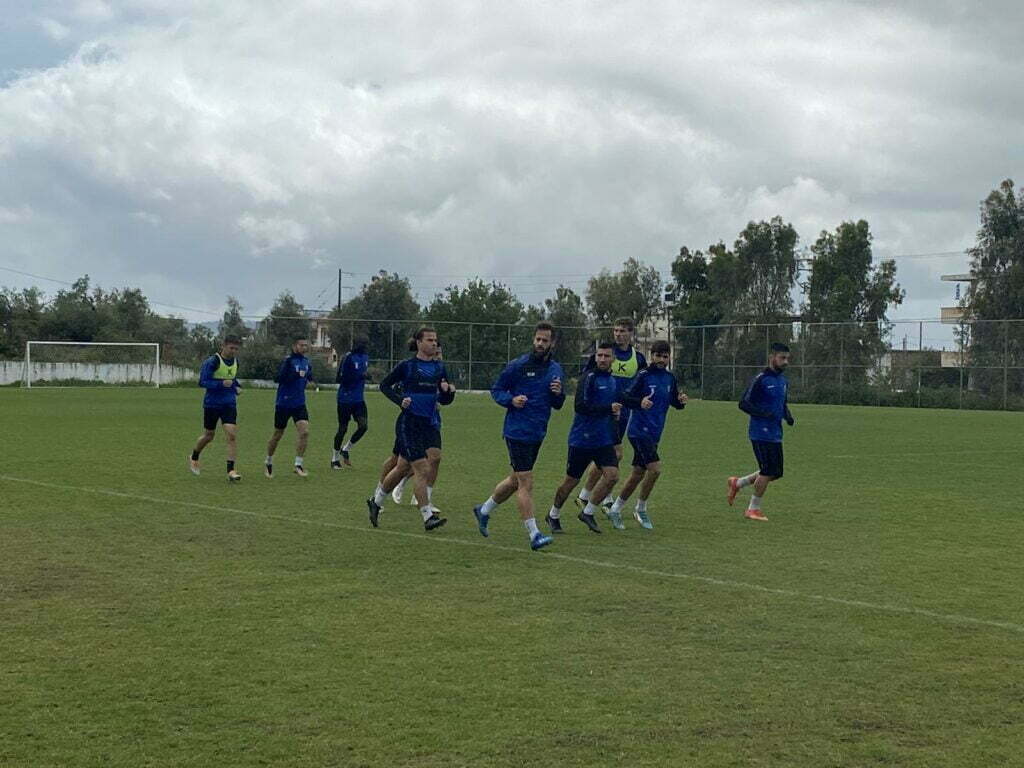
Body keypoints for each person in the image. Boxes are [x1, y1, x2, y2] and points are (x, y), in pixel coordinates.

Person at [473, 322, 565, 550]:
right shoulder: (518, 365)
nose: (540, 344)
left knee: (515, 480)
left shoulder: (555, 369)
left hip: (537, 431)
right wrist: (511, 400)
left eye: (545, 340)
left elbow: (558, 404)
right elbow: (497, 390)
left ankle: (484, 510)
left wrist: (558, 393)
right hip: (517, 431)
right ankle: (534, 534)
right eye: (538, 339)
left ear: (552, 343)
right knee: (526, 482)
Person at [367, 327, 455, 531]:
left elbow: (445, 400)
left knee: (406, 467)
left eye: (435, 340)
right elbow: (384, 385)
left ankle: (376, 501)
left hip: (429, 423)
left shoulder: (440, 368)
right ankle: (427, 516)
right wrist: (400, 400)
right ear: (418, 342)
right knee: (422, 468)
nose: (434, 343)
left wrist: (448, 392)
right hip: (409, 423)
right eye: (430, 340)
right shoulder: (407, 366)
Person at [607, 340, 687, 529]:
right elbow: (625, 397)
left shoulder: (670, 378)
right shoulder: (643, 375)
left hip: (655, 432)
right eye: (658, 355)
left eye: (665, 356)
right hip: (638, 431)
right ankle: (641, 508)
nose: (661, 360)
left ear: (669, 358)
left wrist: (681, 401)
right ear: (652, 356)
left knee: (638, 473)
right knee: (655, 469)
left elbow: (674, 402)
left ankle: (615, 509)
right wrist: (639, 402)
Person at [546, 340, 621, 534]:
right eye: (599, 355)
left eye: (606, 356)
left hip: (603, 440)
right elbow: (580, 406)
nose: (602, 359)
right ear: (595, 357)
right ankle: (553, 514)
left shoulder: (612, 381)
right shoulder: (588, 377)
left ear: (613, 358)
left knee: (612, 476)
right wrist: (608, 409)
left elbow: (611, 410)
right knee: (571, 482)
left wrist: (614, 419)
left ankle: (588, 512)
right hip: (582, 439)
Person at [576, 317, 646, 510]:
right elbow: (586, 378)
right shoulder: (604, 355)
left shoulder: (638, 358)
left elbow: (643, 382)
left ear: (631, 333)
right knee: (613, 453)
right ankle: (599, 497)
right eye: (616, 330)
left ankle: (587, 495)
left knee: (609, 454)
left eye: (622, 331)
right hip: (604, 412)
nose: (618, 334)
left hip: (623, 413)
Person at [727, 342, 794, 521]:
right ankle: (753, 509)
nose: (786, 362)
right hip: (760, 432)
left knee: (776, 472)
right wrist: (763, 414)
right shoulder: (761, 379)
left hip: (775, 433)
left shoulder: (783, 381)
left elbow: (782, 403)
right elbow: (743, 403)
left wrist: (788, 416)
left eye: (787, 358)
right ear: (772, 358)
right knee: (767, 470)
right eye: (782, 358)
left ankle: (738, 483)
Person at [189, 335, 243, 481]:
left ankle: (231, 470)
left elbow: (232, 379)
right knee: (209, 435)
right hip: (212, 404)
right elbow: (203, 381)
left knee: (231, 435)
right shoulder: (213, 361)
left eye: (236, 349)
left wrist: (237, 387)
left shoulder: (236, 362)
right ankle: (194, 456)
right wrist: (220, 384)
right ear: (223, 346)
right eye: (231, 348)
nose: (233, 351)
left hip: (229, 404)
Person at [265, 336, 315, 478]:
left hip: (299, 404)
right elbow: (278, 378)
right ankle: (268, 460)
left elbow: (309, 377)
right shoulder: (288, 361)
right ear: (294, 346)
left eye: (306, 345)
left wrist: (311, 382)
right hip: (284, 403)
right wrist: (295, 375)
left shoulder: (306, 362)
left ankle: (298, 464)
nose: (304, 347)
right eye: (301, 345)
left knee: (305, 432)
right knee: (278, 434)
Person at [332, 334, 370, 468]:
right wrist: (359, 376)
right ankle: (335, 459)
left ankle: (346, 449)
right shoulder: (348, 357)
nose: (364, 347)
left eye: (366, 344)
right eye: (362, 344)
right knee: (342, 429)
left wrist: (366, 376)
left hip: (358, 399)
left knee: (363, 426)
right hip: (345, 399)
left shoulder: (365, 357)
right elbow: (340, 378)